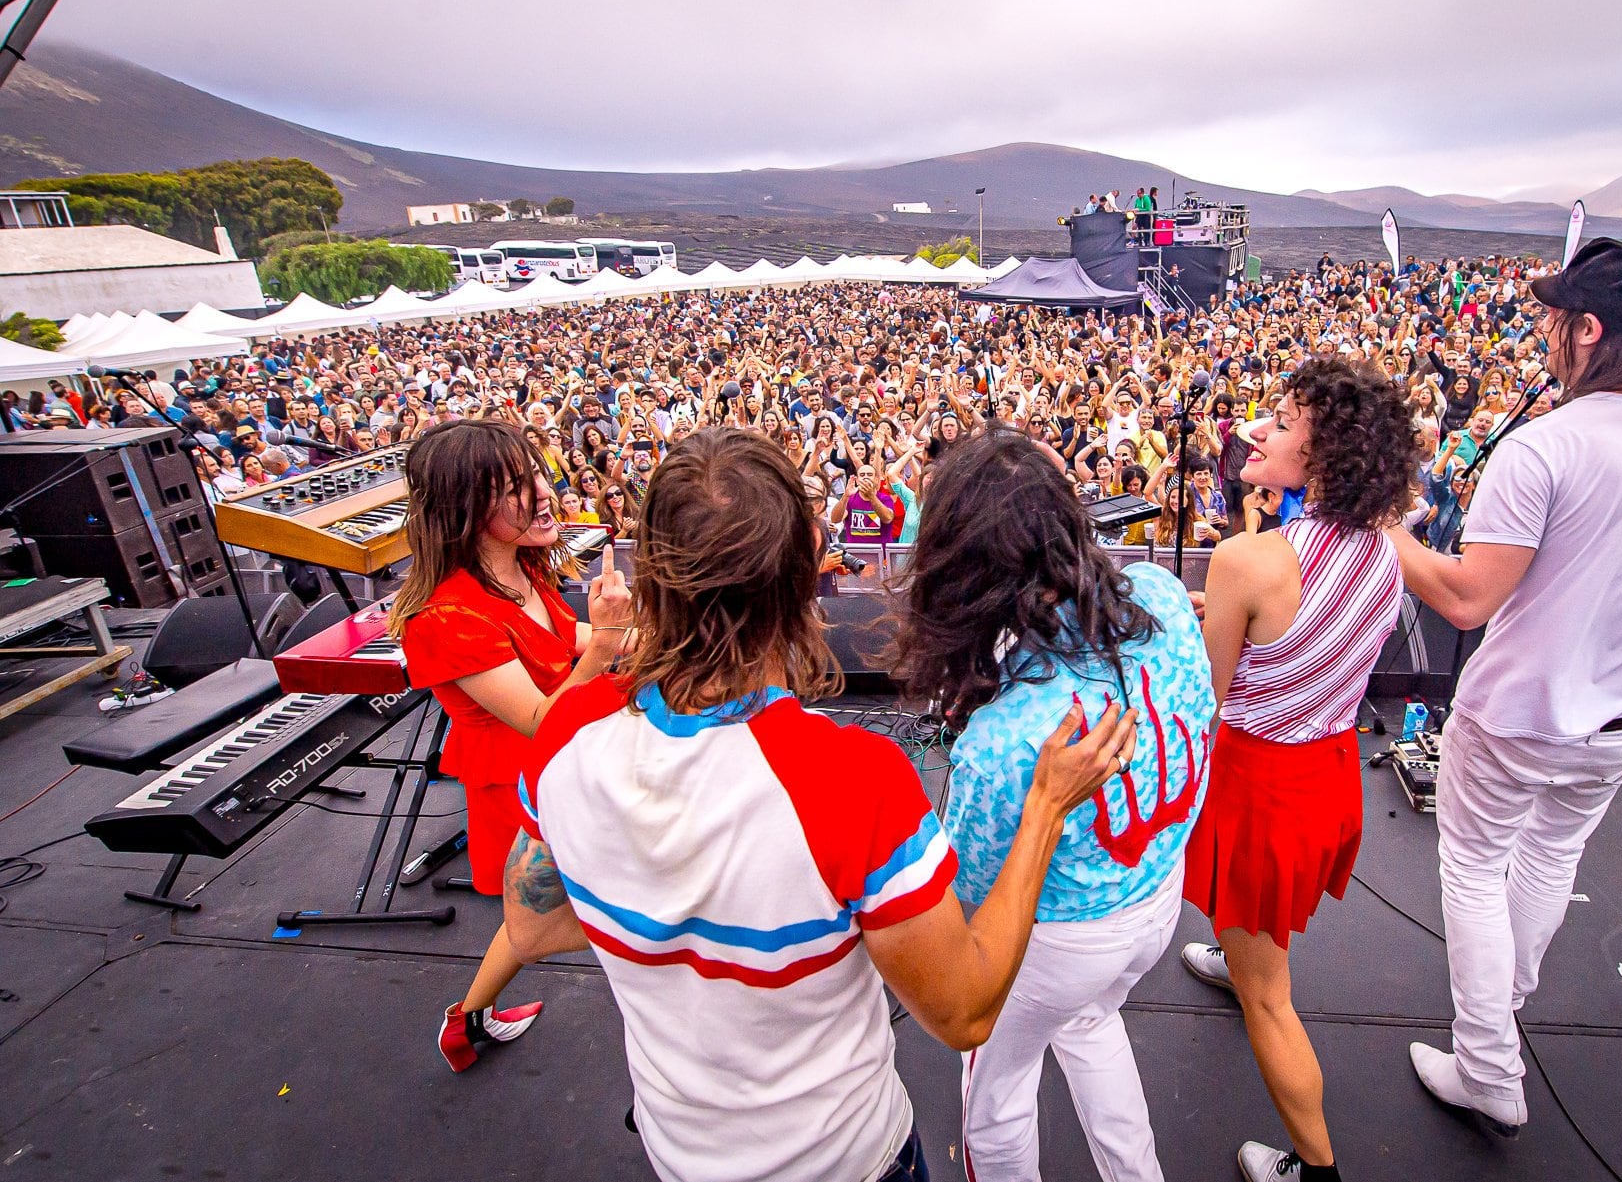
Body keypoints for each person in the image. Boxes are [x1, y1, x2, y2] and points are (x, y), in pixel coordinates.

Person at [499, 428, 1140, 1182]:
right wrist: (1045, 810)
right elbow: (965, 1010)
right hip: (845, 1158)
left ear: (654, 575)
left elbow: (531, 923)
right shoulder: (850, 779)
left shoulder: (569, 731)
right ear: (803, 583)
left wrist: (678, 914)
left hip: (680, 1154)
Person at [1384, 238, 1622, 1137]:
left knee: (1472, 865)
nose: (1542, 333)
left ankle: (1488, 1069)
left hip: (1518, 711)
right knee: (1550, 858)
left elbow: (1467, 600)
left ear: (1586, 332)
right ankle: (1497, 1023)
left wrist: (1388, 534)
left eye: (1552, 319)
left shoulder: (1544, 448)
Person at [887, 428, 1217, 1182]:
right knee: (1094, 1023)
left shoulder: (1008, 739)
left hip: (1059, 940)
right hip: (1158, 901)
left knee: (995, 1094)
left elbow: (969, 909)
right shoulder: (1162, 594)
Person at [1178, 358, 1422, 1182]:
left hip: (1261, 788)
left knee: (1270, 1002)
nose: (1261, 430)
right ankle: (1237, 945)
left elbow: (1203, 699)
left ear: (1322, 461)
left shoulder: (1250, 557)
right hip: (1328, 771)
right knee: (1258, 939)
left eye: (1281, 424)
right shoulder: (1385, 552)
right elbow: (1309, 646)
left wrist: (1189, 624)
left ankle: (1315, 1168)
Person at [388, 420, 636, 1072]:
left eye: (534, 473)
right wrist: (610, 644)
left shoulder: (521, 570)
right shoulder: (446, 619)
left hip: (563, 768)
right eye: (515, 486)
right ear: (466, 510)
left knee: (526, 918)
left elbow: (565, 637)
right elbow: (540, 717)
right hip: (522, 784)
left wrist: (648, 636)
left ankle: (464, 1021)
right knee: (558, 909)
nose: (543, 491)